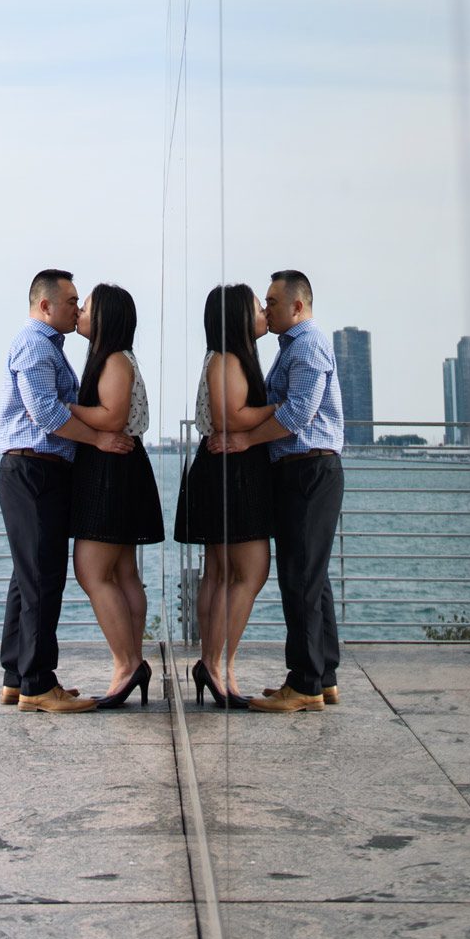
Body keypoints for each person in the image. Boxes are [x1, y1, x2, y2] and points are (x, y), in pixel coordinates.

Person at [0, 268, 133, 713]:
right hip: (34, 470)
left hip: (38, 470)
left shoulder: (47, 346)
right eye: (72, 300)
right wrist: (97, 439)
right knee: (42, 578)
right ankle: (38, 684)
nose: (77, 308)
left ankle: (17, 677)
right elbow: (45, 414)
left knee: (28, 577)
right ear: (45, 305)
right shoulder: (36, 345)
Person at [209, 268, 343, 712]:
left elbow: (301, 411)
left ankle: (304, 684)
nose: (266, 308)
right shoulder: (293, 347)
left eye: (272, 301)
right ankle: (321, 677)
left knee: (300, 577)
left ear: (298, 306)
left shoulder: (307, 344)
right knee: (310, 577)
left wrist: (246, 439)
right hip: (302, 469)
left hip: (308, 469)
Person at [174, 284, 274, 708]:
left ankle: (212, 665)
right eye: (256, 305)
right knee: (250, 572)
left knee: (220, 574)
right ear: (237, 315)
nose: (264, 311)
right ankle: (219, 667)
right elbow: (230, 418)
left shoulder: (224, 358)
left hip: (224, 467)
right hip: (231, 470)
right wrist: (285, 407)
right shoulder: (229, 360)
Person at [66, 283, 164, 708]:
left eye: (86, 306)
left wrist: (61, 405)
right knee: (122, 572)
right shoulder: (113, 358)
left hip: (112, 468)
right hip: (118, 467)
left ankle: (127, 664)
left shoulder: (114, 361)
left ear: (104, 317)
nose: (80, 312)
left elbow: (113, 417)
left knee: (92, 570)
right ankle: (130, 663)